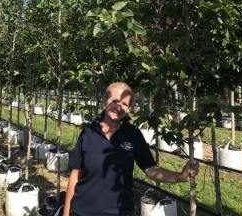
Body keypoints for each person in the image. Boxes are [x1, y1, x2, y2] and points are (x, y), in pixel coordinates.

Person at [63, 82, 199, 216]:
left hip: (119, 211)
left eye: (124, 104)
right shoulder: (88, 133)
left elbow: (151, 169)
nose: (119, 107)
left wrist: (180, 176)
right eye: (115, 101)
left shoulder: (132, 134)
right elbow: (75, 175)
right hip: (83, 211)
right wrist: (66, 213)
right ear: (104, 100)